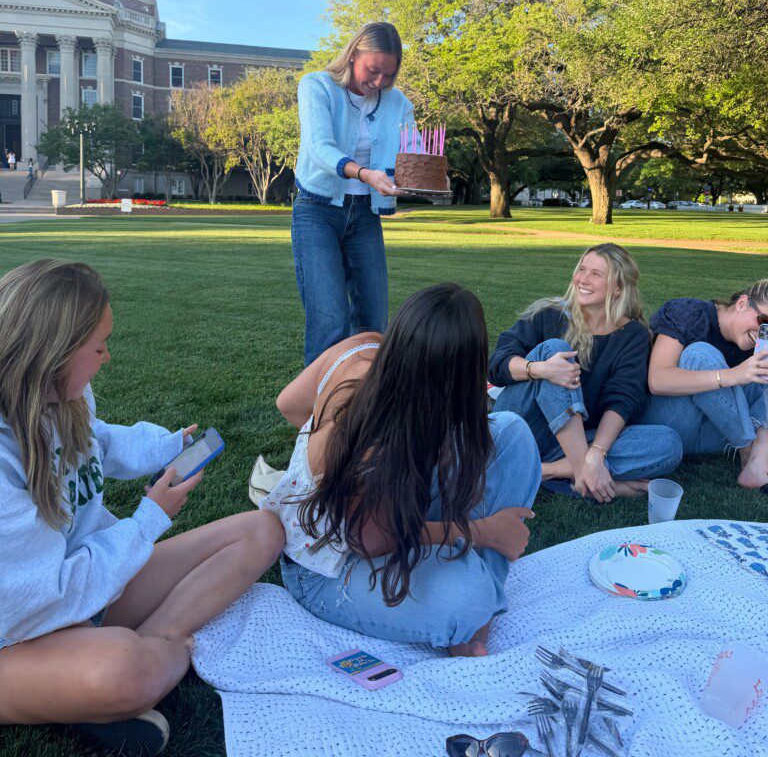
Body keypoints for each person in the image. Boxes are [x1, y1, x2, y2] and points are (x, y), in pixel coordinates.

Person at [0, 260, 284, 757]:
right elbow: (51, 594)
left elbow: (97, 440)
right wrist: (150, 517)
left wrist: (165, 447)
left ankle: (113, 676)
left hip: (83, 592)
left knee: (262, 531)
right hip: (20, 630)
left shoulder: (63, 393)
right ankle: (152, 661)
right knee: (123, 672)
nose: (106, 358)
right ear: (54, 355)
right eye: (99, 347)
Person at [264, 283, 541, 657]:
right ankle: (473, 616)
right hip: (327, 565)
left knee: (512, 432)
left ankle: (472, 610)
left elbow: (289, 404)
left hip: (381, 508)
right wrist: (484, 533)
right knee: (466, 598)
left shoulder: (365, 347)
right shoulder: (376, 431)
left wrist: (316, 452)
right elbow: (371, 540)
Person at [488, 243, 682, 502]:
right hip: (522, 426)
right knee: (555, 350)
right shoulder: (550, 315)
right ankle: (582, 473)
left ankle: (545, 472)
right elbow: (496, 365)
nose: (583, 279)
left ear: (618, 288)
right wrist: (540, 369)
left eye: (596, 274)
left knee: (668, 444)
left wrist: (597, 453)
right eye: (582, 269)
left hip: (574, 440)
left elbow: (623, 399)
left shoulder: (632, 335)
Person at [292, 21, 414, 366]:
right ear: (352, 55)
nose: (379, 82)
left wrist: (430, 175)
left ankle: (367, 407)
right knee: (329, 318)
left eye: (388, 75)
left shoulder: (398, 103)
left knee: (374, 321)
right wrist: (363, 173)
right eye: (372, 71)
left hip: (365, 214)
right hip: (317, 209)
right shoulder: (317, 86)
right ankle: (320, 413)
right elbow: (319, 147)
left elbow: (412, 150)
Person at [638, 281, 768, 489]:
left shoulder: (758, 344)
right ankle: (747, 451)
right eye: (764, 323)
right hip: (668, 421)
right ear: (742, 303)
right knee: (700, 354)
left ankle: (759, 458)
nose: (763, 333)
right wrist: (733, 375)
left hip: (715, 429)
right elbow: (657, 380)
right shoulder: (689, 313)